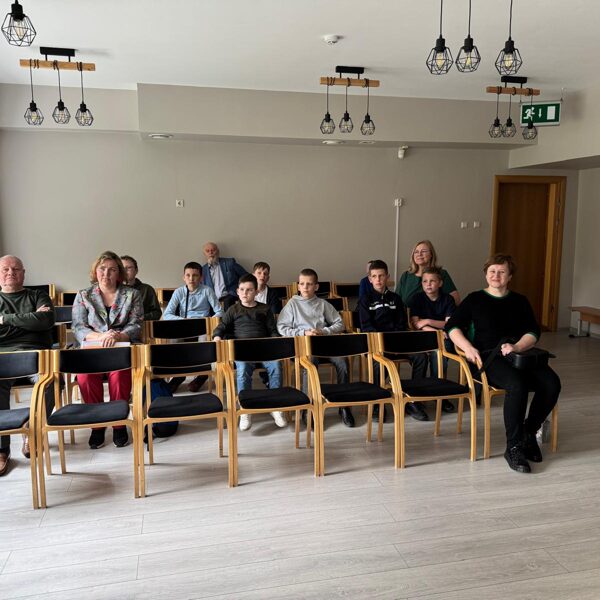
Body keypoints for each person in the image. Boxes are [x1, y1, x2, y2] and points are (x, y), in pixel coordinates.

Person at [446, 254, 561, 474]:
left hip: (519, 354)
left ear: (509, 277)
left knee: (551, 383)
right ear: (486, 274)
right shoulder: (475, 299)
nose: (496, 275)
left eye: (501, 272)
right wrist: (467, 347)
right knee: (517, 385)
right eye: (492, 271)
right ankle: (514, 446)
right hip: (489, 358)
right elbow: (452, 327)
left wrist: (517, 346)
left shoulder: (520, 301)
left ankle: (529, 432)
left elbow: (533, 331)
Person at [72, 251, 144, 450]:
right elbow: (78, 327)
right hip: (93, 349)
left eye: (112, 270)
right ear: (95, 272)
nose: (106, 273)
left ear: (119, 273)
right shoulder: (84, 295)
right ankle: (97, 425)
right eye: (102, 269)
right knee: (85, 376)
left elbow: (136, 324)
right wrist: (101, 336)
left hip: (120, 348)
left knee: (120, 375)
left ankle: (119, 424)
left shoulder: (132, 294)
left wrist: (117, 336)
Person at [0, 255, 55, 475]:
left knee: (51, 380)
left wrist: (5, 320)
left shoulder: (38, 295)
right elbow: (37, 321)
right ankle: (1, 449)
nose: (10, 273)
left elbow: (45, 321)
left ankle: (33, 431)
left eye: (16, 269)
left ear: (23, 273)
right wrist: (29, 320)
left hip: (36, 355)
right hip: (3, 358)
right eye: (5, 269)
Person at [277, 268, 353, 427]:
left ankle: (344, 406)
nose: (305, 287)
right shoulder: (292, 304)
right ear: (298, 285)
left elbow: (340, 323)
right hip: (303, 344)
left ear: (316, 287)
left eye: (309, 284)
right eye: (302, 284)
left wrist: (324, 331)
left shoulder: (323, 304)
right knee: (310, 363)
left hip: (323, 343)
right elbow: (282, 327)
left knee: (342, 362)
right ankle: (308, 408)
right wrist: (303, 332)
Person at [212, 274, 286, 431]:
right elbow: (222, 326)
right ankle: (245, 408)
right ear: (237, 291)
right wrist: (217, 336)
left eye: (249, 290)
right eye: (242, 290)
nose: (245, 293)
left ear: (256, 292)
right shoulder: (233, 309)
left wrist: (276, 340)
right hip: (243, 351)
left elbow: (272, 330)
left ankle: (276, 406)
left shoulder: (264, 309)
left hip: (264, 349)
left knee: (276, 367)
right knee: (243, 370)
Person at [358, 259, 429, 421]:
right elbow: (367, 327)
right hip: (377, 345)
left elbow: (401, 323)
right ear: (369, 279)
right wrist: (383, 343)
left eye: (381, 276)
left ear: (387, 277)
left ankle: (412, 400)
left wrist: (395, 341)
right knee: (379, 363)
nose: (378, 279)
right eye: (374, 276)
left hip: (397, 342)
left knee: (421, 357)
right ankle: (378, 402)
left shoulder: (396, 299)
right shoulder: (365, 300)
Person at [163, 261, 224, 393]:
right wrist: (183, 320)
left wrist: (208, 321)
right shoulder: (179, 292)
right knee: (173, 340)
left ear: (201, 277)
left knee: (204, 341)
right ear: (183, 277)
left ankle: (202, 375)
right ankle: (178, 375)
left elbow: (219, 311)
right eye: (188, 275)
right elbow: (167, 314)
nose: (191, 278)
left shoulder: (207, 290)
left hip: (202, 326)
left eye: (195, 275)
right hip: (184, 325)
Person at [409, 266, 456, 412]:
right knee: (421, 356)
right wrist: (435, 331)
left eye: (432, 281)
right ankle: (418, 394)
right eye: (425, 281)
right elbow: (416, 324)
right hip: (423, 336)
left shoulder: (448, 299)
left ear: (440, 283)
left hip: (443, 337)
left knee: (440, 354)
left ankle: (438, 392)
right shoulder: (417, 298)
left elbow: (448, 324)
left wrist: (428, 321)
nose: (428, 284)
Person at [396, 240, 460, 307]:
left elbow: (456, 301)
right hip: (408, 313)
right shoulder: (406, 276)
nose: (419, 254)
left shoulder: (441, 274)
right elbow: (396, 301)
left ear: (431, 254)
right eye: (416, 252)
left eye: (423, 251)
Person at [201, 242, 248, 310]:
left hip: (230, 295)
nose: (211, 253)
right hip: (213, 298)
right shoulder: (203, 270)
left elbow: (245, 276)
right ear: (204, 254)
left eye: (213, 250)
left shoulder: (229, 262)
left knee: (227, 302)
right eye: (207, 251)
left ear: (218, 251)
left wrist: (242, 289)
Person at [121, 255, 162, 321]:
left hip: (141, 325)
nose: (125, 271)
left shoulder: (147, 289)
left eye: (129, 268)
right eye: (122, 268)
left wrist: (142, 317)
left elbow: (157, 313)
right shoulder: (113, 290)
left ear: (136, 270)